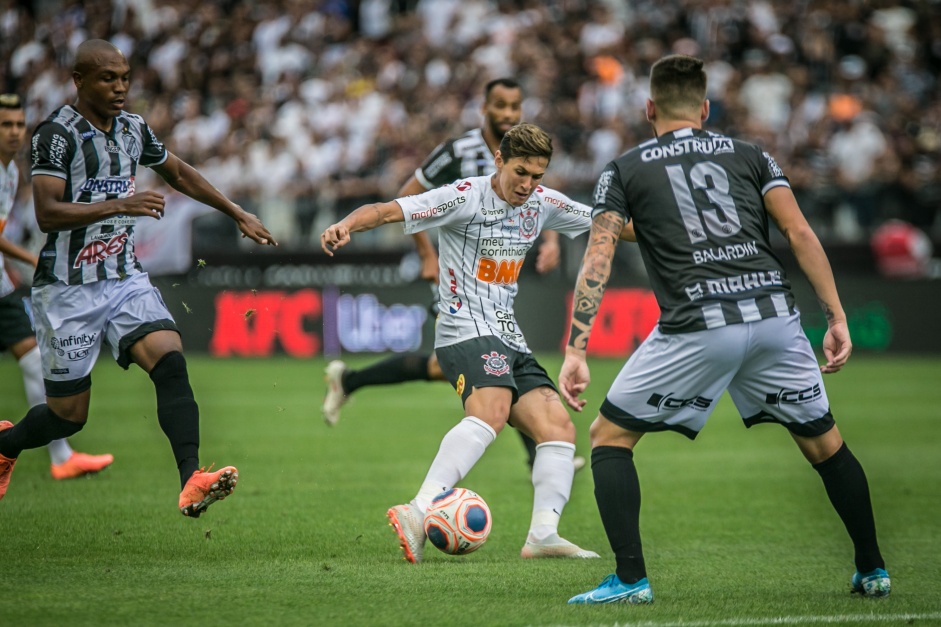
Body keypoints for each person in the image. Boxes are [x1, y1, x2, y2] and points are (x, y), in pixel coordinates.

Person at [559, 54, 889, 605]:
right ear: (705, 108)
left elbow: (599, 256)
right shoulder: (750, 154)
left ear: (649, 108)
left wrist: (576, 348)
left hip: (699, 324)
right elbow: (800, 232)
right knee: (825, 445)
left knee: (609, 438)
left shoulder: (625, 168)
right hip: (775, 319)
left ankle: (630, 580)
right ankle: (873, 569)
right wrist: (835, 315)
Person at [322, 123, 633, 563]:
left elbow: (611, 226)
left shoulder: (543, 204)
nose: (528, 185)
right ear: (500, 161)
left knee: (557, 428)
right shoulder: (463, 196)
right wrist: (346, 224)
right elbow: (391, 209)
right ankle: (418, 510)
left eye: (537, 176)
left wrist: (674, 232)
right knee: (492, 410)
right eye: (521, 172)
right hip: (462, 328)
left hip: (508, 334)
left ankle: (543, 534)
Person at [0, 40, 277, 516]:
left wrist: (235, 211)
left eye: (125, 77)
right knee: (69, 417)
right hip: (67, 290)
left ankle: (191, 478)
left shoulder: (132, 129)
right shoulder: (57, 134)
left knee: (170, 361)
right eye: (108, 78)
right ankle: (6, 445)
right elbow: (46, 213)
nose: (120, 87)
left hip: (124, 276)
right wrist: (121, 204)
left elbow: (178, 173)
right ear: (79, 81)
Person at [320, 78, 582, 472]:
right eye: (501, 106)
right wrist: (426, 253)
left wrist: (551, 241)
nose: (508, 113)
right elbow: (408, 195)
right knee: (491, 365)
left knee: (452, 366)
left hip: (495, 282)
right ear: (485, 108)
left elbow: (536, 206)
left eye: (515, 106)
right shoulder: (456, 153)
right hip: (456, 277)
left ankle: (350, 381)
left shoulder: (525, 157)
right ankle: (537, 452)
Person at [0, 92, 113, 480]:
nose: (15, 133)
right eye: (6, 125)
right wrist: (29, 259)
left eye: (19, 125)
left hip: (0, 289)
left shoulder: (13, 171)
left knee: (35, 362)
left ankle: (61, 457)